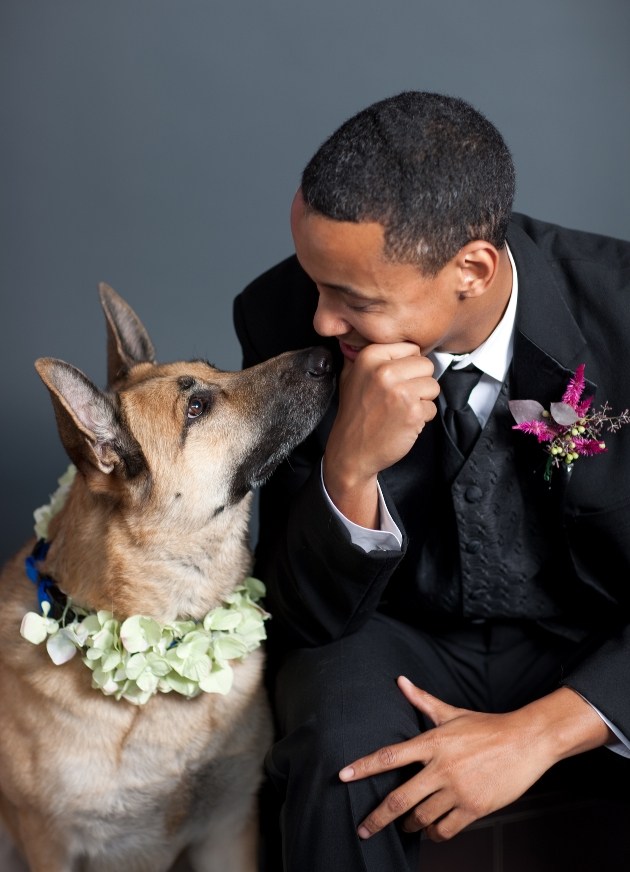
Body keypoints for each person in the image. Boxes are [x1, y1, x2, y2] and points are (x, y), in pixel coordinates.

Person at [233, 91, 630, 871]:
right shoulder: (277, 316)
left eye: (353, 299)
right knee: (338, 746)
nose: (319, 321)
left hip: (600, 637)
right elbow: (300, 616)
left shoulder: (620, 308)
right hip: (399, 639)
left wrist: (542, 731)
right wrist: (348, 466)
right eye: (316, 283)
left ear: (471, 270)